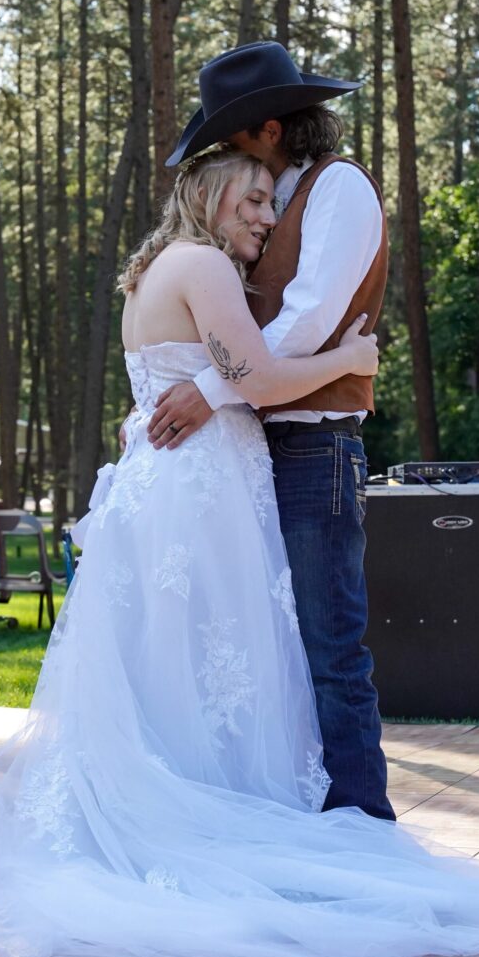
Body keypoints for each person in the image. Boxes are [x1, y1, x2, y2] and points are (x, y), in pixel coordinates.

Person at [0, 150, 479, 957]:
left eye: (270, 200)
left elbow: (184, 382)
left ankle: (188, 816)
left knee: (176, 668)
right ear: (205, 195)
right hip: (202, 495)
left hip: (166, 492)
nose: (265, 216)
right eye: (252, 200)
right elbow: (252, 380)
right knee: (234, 661)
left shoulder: (152, 272)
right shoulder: (204, 265)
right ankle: (244, 826)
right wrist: (348, 363)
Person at [148, 41, 394, 820]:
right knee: (269, 645)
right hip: (255, 452)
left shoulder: (339, 188)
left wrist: (211, 390)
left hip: (314, 446)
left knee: (328, 646)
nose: (224, 152)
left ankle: (361, 817)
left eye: (231, 133)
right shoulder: (265, 205)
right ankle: (292, 808)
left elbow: (310, 319)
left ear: (267, 129)